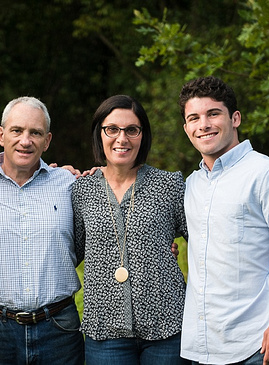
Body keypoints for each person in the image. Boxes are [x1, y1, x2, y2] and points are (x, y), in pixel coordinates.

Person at [178, 76, 269, 365]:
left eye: (213, 113)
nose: (203, 124)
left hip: (259, 345)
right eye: (194, 118)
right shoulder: (191, 185)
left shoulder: (268, 174)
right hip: (199, 348)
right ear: (186, 128)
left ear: (236, 118)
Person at [0, 97, 84, 364]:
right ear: (1, 134)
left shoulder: (70, 185)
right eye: (17, 130)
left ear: (47, 140)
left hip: (60, 327)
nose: (25, 140)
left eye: (35, 132)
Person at [71, 95, 189, 363]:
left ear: (142, 135)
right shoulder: (81, 189)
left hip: (167, 326)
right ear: (99, 134)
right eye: (112, 129)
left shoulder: (169, 186)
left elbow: (206, 240)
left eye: (131, 130)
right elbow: (71, 250)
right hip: (105, 332)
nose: (121, 139)